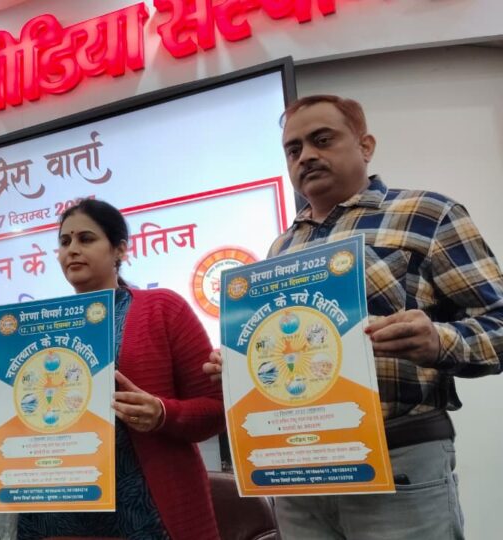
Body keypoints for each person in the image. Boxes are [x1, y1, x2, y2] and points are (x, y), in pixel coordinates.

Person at [205, 95, 503, 539]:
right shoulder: (281, 248)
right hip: (297, 469)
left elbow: (498, 324)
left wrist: (439, 341)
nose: (306, 156)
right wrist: (239, 366)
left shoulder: (427, 214)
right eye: (293, 149)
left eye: (322, 140)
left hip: (397, 460)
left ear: (366, 146)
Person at [0, 199, 226, 540]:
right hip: (51, 517)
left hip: (146, 514)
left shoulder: (162, 308)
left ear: (119, 249)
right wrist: (3, 421)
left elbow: (215, 410)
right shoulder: (35, 329)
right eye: (64, 242)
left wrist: (163, 413)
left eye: (86, 239)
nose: (72, 250)